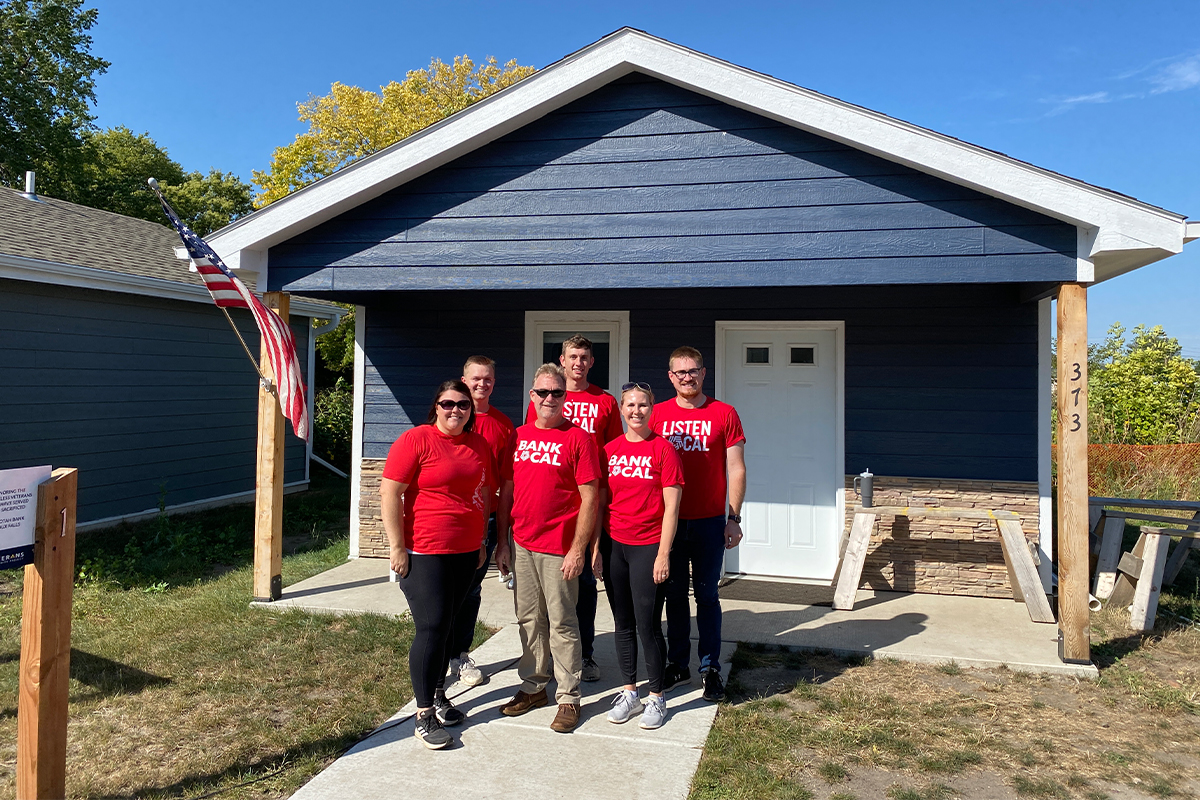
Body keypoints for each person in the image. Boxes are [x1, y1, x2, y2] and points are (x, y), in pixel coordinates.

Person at [380, 380, 496, 749]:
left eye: (463, 405)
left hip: (465, 551)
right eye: (448, 403)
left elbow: (481, 495)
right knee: (431, 628)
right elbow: (389, 492)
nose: (455, 410)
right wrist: (397, 547)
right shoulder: (416, 440)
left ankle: (440, 696)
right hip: (424, 550)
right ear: (436, 406)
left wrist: (480, 541)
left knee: (448, 626)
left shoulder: (478, 445)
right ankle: (424, 713)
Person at [498, 363, 601, 733]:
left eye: (557, 393)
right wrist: (503, 542)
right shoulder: (519, 436)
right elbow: (507, 491)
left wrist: (579, 549)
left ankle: (569, 697)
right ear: (532, 396)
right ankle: (534, 686)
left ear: (565, 397)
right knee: (529, 619)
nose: (549, 399)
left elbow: (590, 499)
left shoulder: (579, 439)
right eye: (542, 392)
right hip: (522, 543)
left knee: (562, 622)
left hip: (559, 548)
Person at [651, 346, 747, 702]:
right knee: (674, 596)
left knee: (706, 596)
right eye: (680, 372)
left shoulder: (724, 413)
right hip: (669, 523)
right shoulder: (657, 415)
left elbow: (736, 467)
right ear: (670, 377)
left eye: (693, 371)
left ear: (703, 373)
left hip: (708, 521)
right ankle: (678, 664)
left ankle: (710, 669)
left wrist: (733, 517)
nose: (687, 377)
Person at [524, 334, 622, 682]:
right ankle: (549, 658)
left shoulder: (606, 402)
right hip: (551, 504)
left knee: (582, 585)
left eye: (584, 357)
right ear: (562, 361)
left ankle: (587, 655)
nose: (578, 362)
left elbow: (613, 455)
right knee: (545, 595)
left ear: (591, 362)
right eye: (572, 356)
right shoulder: (544, 397)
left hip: (588, 498)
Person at [600, 382, 683, 730]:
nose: (636, 411)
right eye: (630, 405)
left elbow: (671, 509)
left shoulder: (663, 450)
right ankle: (629, 691)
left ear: (652, 409)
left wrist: (664, 554)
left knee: (648, 625)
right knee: (622, 623)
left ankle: (656, 696)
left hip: (648, 546)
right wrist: (595, 548)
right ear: (621, 409)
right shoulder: (610, 450)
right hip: (614, 545)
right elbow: (601, 502)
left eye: (643, 405)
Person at [445, 355, 516, 688]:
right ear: (463, 378)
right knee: (443, 590)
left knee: (471, 591)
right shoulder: (448, 417)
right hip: (447, 520)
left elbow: (505, 485)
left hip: (483, 520)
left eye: (487, 379)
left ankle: (459, 655)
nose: (481, 384)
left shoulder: (503, 425)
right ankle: (436, 653)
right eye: (476, 379)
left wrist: (502, 539)